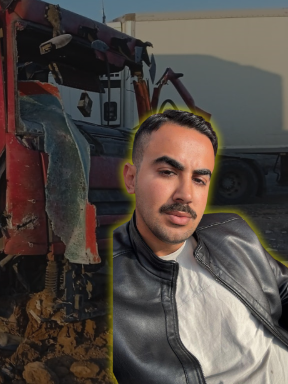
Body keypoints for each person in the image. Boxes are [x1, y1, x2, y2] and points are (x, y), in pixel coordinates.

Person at [113, 109, 288, 383]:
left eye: (199, 179)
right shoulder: (104, 280)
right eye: (168, 172)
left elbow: (283, 288)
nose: (186, 194)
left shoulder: (231, 231)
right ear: (131, 178)